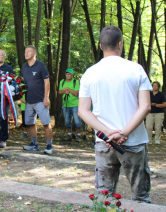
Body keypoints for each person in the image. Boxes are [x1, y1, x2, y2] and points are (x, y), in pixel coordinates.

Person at [78, 26, 152, 203]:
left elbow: (83, 110)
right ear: (120, 44)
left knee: (105, 197)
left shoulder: (90, 73)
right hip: (134, 141)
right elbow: (146, 106)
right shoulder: (136, 69)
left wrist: (109, 133)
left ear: (101, 46)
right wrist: (124, 133)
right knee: (141, 196)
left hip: (104, 142)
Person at [21, 45, 54, 155]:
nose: (26, 53)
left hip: (40, 100)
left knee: (46, 123)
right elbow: (22, 83)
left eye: (29, 51)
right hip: (28, 101)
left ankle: (49, 146)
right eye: (25, 51)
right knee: (30, 123)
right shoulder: (24, 66)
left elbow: (47, 82)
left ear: (34, 54)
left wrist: (46, 97)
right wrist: (21, 96)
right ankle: (34, 144)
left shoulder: (41, 66)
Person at [59, 68, 81, 141]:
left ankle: (78, 135)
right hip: (65, 104)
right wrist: (64, 91)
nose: (67, 75)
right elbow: (59, 92)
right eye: (66, 74)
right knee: (67, 120)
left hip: (75, 104)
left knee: (77, 121)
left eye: (69, 74)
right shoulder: (62, 81)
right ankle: (69, 135)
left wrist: (68, 89)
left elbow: (76, 93)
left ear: (72, 75)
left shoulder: (76, 82)